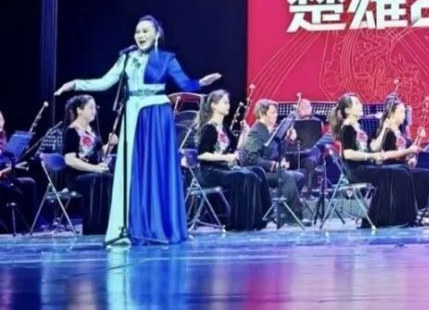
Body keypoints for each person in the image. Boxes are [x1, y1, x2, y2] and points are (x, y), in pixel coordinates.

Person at [55, 15, 220, 244]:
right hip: (133, 112)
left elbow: (186, 84)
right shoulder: (127, 58)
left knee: (156, 168)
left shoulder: (166, 58)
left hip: (156, 114)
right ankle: (134, 225)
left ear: (156, 34)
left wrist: (202, 82)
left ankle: (161, 226)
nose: (140, 35)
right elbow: (104, 82)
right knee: (134, 169)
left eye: (145, 31)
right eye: (137, 31)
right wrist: (75, 84)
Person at [330, 94, 419, 227]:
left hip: (367, 167)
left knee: (404, 169)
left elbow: (372, 147)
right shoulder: (347, 128)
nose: (361, 106)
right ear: (347, 110)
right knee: (396, 173)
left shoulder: (357, 127)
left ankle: (407, 217)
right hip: (357, 171)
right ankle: (382, 219)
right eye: (357, 104)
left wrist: (384, 130)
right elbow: (348, 154)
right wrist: (370, 156)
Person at [195, 90, 270, 231]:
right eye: (224, 102)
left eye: (228, 103)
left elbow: (236, 147)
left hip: (224, 169)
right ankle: (241, 222)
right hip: (210, 171)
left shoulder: (223, 128)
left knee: (257, 171)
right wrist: (225, 157)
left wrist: (245, 133)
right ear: (214, 105)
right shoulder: (209, 128)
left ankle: (259, 217)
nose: (228, 105)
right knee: (243, 176)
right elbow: (201, 154)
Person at [240, 100, 307, 224]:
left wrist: (287, 139)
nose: (276, 115)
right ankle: (295, 217)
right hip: (256, 172)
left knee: (299, 177)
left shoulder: (268, 131)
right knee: (286, 176)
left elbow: (275, 151)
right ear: (262, 114)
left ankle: (284, 214)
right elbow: (252, 158)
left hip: (266, 170)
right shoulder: (256, 131)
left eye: (276, 112)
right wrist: (273, 165)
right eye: (273, 113)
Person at [62, 95, 116, 235]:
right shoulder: (72, 131)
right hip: (76, 176)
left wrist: (110, 145)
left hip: (93, 172)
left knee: (110, 177)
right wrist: (95, 168)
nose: (94, 111)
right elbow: (70, 160)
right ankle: (93, 229)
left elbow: (98, 154)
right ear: (79, 110)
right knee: (98, 178)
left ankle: (106, 226)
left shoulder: (91, 130)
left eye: (94, 108)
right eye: (90, 108)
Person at [370, 99, 429, 210]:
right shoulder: (387, 132)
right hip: (392, 168)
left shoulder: (400, 131)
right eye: (401, 112)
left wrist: (419, 138)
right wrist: (408, 152)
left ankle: (425, 209)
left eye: (404, 112)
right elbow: (387, 154)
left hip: (403, 167)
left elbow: (409, 151)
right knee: (428, 176)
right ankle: (421, 209)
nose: (404, 115)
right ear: (392, 113)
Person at [0, 110, 38, 230]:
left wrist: (14, 163)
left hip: (5, 177)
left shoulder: (4, 139)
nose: (0, 123)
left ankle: (31, 225)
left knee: (29, 183)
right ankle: (11, 226)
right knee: (11, 190)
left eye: (1, 120)